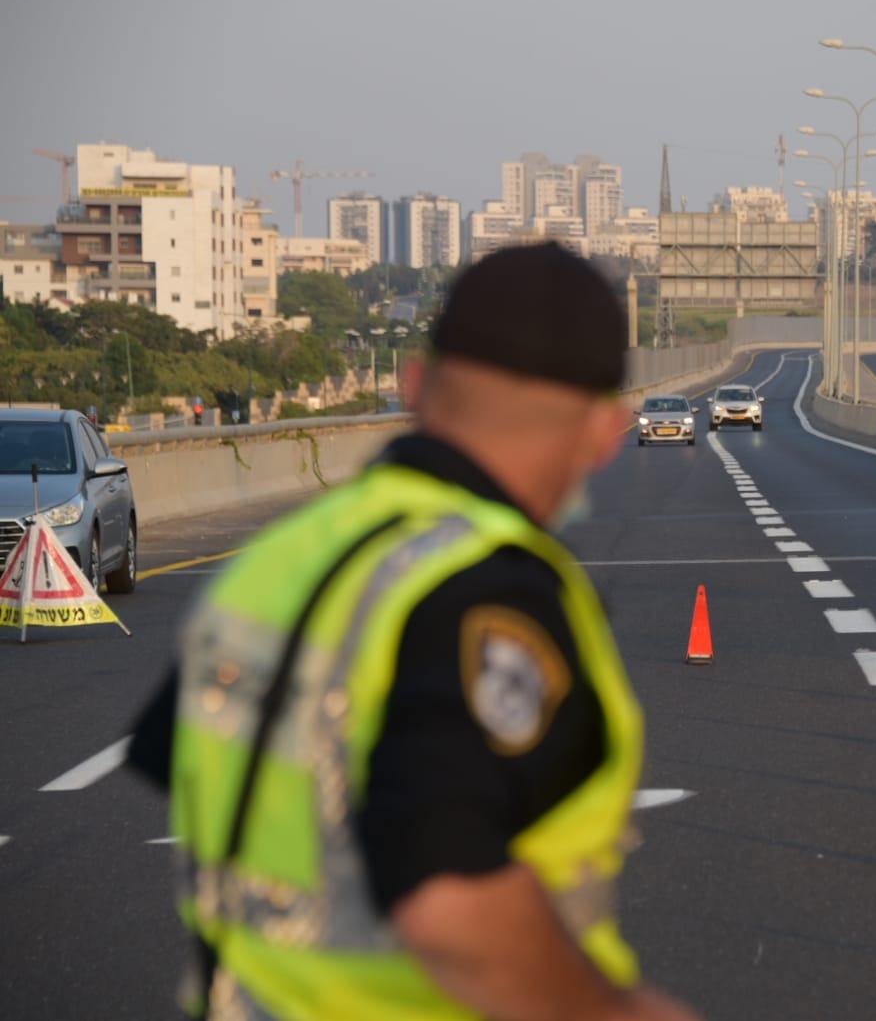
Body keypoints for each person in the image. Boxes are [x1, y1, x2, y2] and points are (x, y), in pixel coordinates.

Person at [129, 244, 699, 1021]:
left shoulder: (279, 557)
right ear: (606, 430)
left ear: (414, 385)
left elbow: (184, 763)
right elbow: (452, 911)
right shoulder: (490, 591)